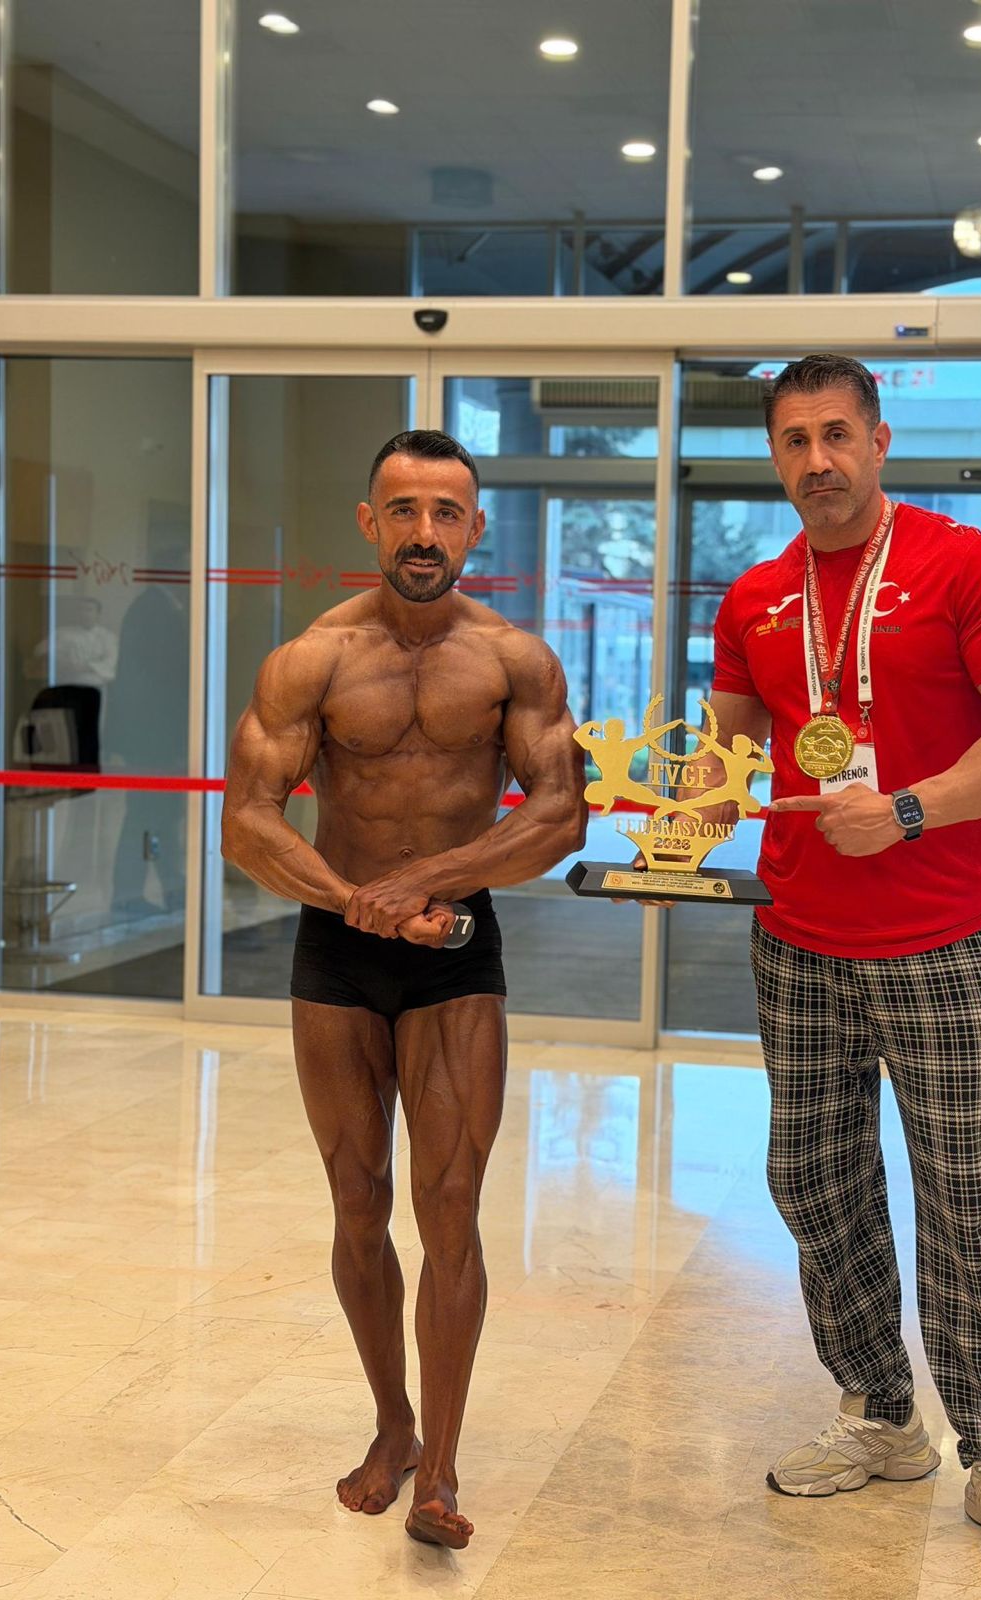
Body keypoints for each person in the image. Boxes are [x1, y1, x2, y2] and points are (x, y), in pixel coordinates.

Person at [703, 355, 981, 1578]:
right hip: (798, 943)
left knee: (970, 1209)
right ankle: (879, 1411)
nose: (817, 459)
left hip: (944, 944)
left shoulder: (969, 566)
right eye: (794, 439)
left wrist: (910, 809)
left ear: (878, 441)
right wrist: (664, 813)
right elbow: (726, 760)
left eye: (837, 434)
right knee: (815, 1186)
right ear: (775, 457)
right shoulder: (755, 596)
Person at [221, 429, 586, 1550]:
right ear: (370, 522)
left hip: (456, 950)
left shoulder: (515, 660)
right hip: (338, 951)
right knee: (356, 1199)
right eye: (404, 510)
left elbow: (559, 817)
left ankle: (446, 1469)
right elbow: (247, 822)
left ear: (475, 528)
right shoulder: (312, 660)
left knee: (451, 1206)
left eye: (446, 513)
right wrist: (359, 901)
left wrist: (429, 879)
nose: (425, 533)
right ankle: (395, 1426)